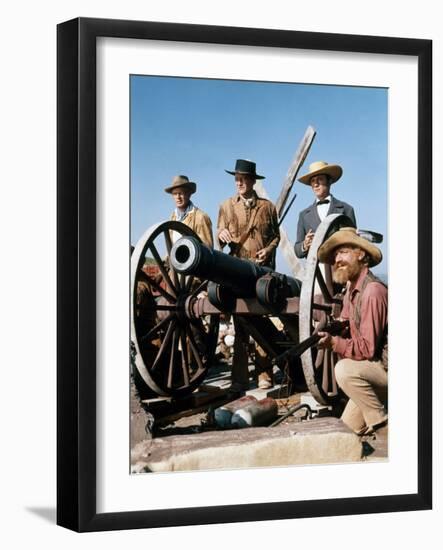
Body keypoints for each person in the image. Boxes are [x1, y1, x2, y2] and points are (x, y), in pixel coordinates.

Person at [316, 227, 388, 436]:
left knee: (344, 370)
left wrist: (333, 343)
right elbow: (346, 320)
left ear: (361, 254)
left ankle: (383, 425)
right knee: (346, 433)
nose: (337, 259)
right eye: (336, 254)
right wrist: (335, 326)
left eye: (344, 252)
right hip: (372, 372)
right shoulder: (351, 289)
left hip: (388, 368)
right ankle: (377, 410)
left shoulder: (372, 291)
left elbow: (366, 349)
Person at [217, 159, 280, 391]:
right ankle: (239, 377)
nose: (239, 182)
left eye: (243, 178)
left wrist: (269, 250)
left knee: (261, 320)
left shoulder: (268, 207)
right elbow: (220, 238)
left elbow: (276, 236)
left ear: (253, 181)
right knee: (241, 320)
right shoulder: (225, 206)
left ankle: (265, 374)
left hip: (262, 272)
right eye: (236, 179)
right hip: (236, 270)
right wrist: (221, 234)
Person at [294, 161, 357, 258]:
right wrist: (305, 245)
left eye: (320, 179)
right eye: (313, 181)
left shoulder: (346, 209)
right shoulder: (303, 215)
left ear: (329, 181)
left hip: (339, 268)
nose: (316, 184)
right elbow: (298, 251)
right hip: (315, 271)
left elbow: (354, 243)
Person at [165, 174, 213, 247]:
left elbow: (207, 249)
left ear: (189, 194)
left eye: (180, 193)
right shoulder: (173, 218)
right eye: (175, 194)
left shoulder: (200, 217)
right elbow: (171, 247)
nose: (178, 197)